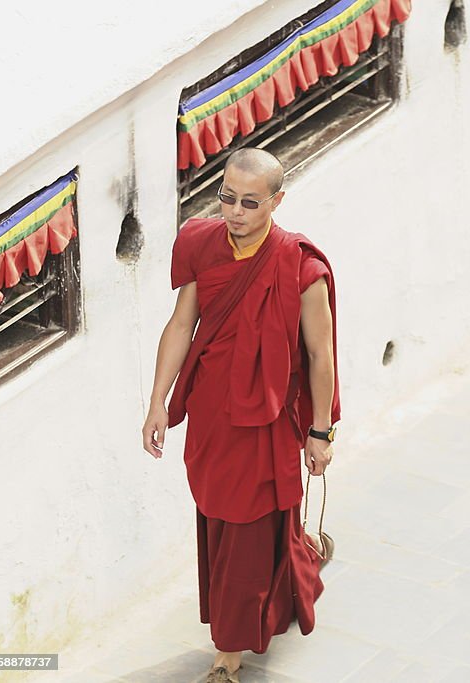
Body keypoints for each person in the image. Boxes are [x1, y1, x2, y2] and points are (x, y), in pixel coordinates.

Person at [141, 147, 341, 683]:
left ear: (277, 200)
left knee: (249, 530)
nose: (234, 212)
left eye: (250, 203)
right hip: (211, 414)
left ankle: (228, 653)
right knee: (219, 521)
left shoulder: (301, 268)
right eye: (227, 198)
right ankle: (298, 560)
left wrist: (320, 432)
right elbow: (182, 324)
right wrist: (158, 400)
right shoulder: (202, 244)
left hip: (267, 421)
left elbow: (320, 356)